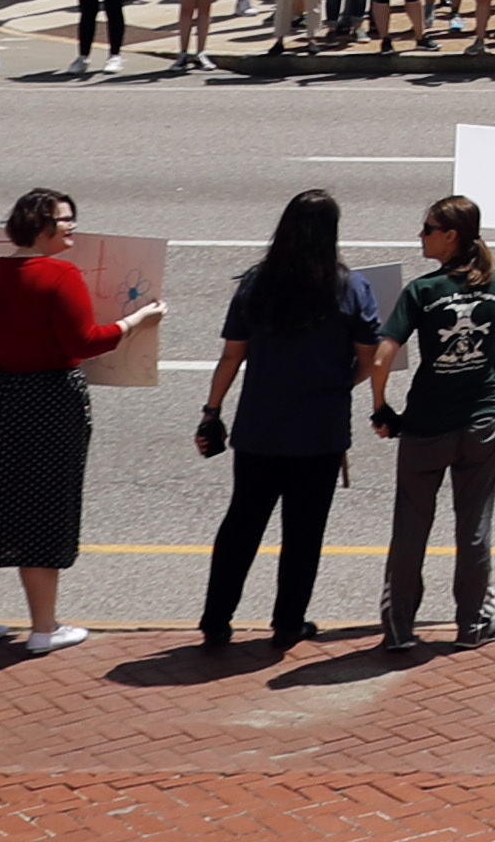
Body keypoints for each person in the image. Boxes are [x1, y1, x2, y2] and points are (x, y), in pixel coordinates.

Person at [0, 186, 161, 651]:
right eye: (66, 221)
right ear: (42, 226)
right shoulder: (60, 276)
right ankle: (43, 629)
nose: (72, 228)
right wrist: (137, 320)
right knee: (44, 508)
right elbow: (85, 341)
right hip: (50, 400)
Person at [198, 186, 375, 652]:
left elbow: (232, 357)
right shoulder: (350, 288)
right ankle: (287, 623)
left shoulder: (257, 283)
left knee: (242, 524)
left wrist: (211, 410)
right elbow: (370, 358)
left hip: (259, 428)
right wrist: (339, 383)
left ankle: (216, 620)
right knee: (304, 532)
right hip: (320, 432)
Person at [375, 193, 495, 650]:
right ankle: (472, 624)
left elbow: (384, 355)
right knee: (474, 525)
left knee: (411, 526)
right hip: (482, 422)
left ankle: (400, 629)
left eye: (427, 229)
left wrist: (382, 406)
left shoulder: (423, 292)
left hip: (427, 425)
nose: (421, 235)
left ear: (450, 236)